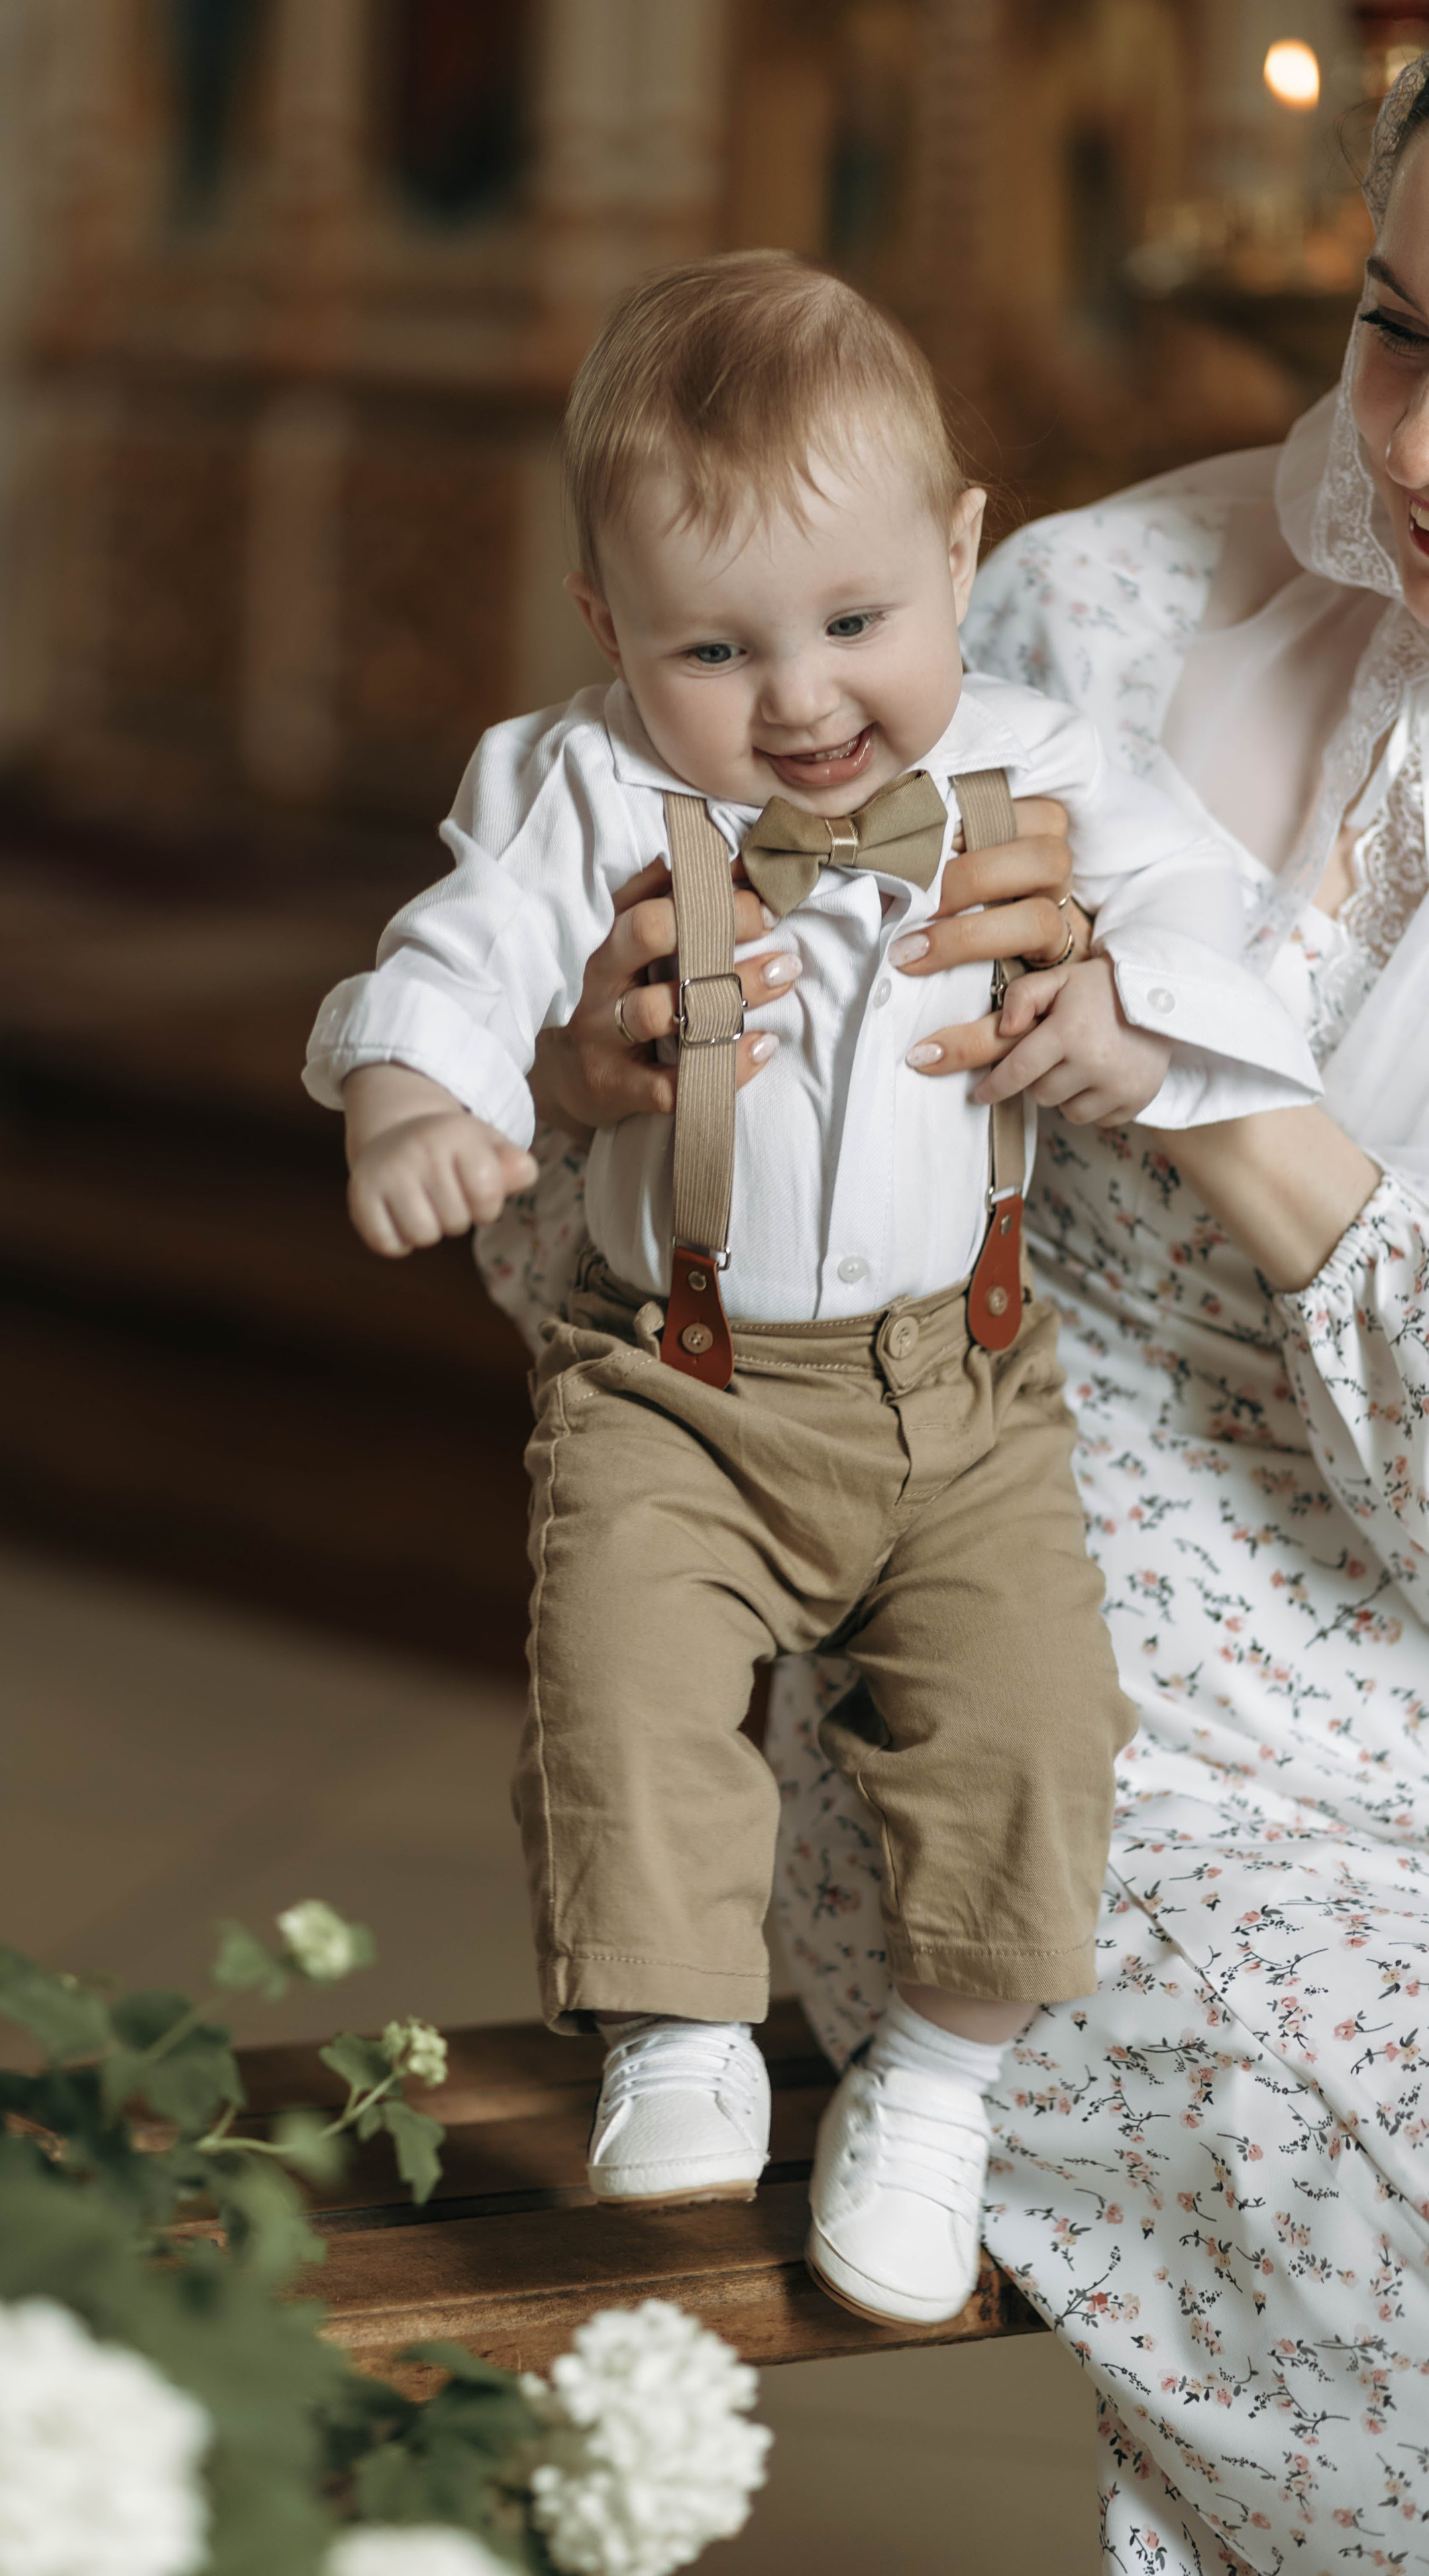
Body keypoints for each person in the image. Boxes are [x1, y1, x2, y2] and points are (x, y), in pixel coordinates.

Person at [478, 60, 1429, 2573]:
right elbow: (611, 1274)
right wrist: (588, 1089)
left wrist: (1198, 1088)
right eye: (1399, 327)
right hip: (994, 1620)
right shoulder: (1075, 624)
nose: (1421, 449)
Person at [305, 252, 1316, 2331]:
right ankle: (677, 2024)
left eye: (858, 623)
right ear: (609, 628)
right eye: (716, 645)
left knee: (1037, 1726)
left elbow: (1205, 905)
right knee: (624, 1681)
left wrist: (1127, 1006)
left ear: (958, 555)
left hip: (969, 1388)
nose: (799, 700)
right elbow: (458, 956)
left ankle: (938, 2081)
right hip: (674, 1386)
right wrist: (419, 1096)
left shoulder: (1045, 763)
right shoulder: (582, 781)